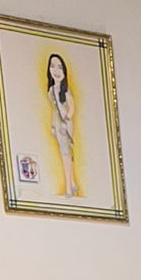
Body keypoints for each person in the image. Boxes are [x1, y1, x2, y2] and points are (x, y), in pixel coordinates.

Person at [45, 54, 77, 199]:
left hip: (65, 123)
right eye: (52, 66)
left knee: (66, 155)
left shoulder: (65, 90)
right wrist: (53, 125)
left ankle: (69, 187)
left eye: (59, 67)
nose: (56, 70)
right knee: (65, 153)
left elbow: (72, 108)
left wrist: (65, 122)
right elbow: (54, 110)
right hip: (58, 124)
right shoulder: (51, 91)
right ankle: (72, 182)